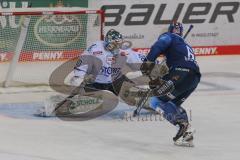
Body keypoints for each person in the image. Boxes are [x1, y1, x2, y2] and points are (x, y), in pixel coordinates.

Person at [140, 22, 201, 147]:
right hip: (194, 78)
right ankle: (186, 135)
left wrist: (147, 62)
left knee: (155, 101)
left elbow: (159, 45)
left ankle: (182, 125)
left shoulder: (168, 36)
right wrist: (158, 80)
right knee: (172, 105)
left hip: (180, 73)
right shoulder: (184, 45)